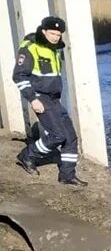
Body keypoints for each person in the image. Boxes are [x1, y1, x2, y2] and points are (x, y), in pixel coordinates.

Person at [12, 15, 87, 187]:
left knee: (70, 137)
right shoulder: (30, 48)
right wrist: (32, 99)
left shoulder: (54, 48)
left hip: (54, 99)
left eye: (58, 35)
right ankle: (27, 155)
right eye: (52, 33)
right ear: (43, 31)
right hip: (40, 97)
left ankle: (67, 175)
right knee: (57, 136)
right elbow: (19, 76)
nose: (55, 37)